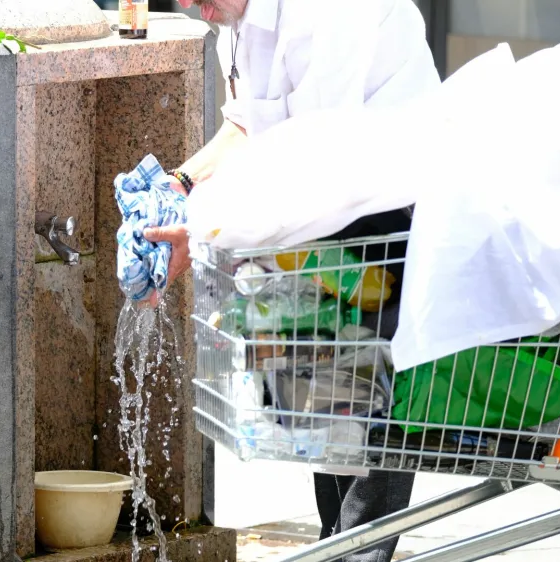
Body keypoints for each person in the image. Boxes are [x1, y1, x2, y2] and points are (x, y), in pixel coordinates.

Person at [146, 1, 441, 560]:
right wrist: (181, 185)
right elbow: (246, 124)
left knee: (374, 413)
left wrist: (208, 222)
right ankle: (339, 543)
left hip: (388, 209)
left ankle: (359, 550)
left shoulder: (328, 13)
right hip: (321, 220)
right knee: (321, 406)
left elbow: (313, 157)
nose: (189, 5)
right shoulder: (234, 18)